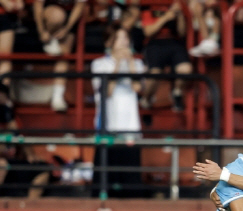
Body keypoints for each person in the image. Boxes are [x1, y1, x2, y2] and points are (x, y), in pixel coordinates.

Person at [91, 23, 145, 198]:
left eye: (126, 38)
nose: (123, 42)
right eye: (119, 38)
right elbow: (107, 90)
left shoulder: (137, 63)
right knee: (105, 179)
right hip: (108, 127)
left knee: (130, 182)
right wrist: (117, 63)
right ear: (108, 42)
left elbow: (137, 88)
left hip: (131, 127)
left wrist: (129, 62)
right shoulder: (99, 64)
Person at [33, 0, 88, 112]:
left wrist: (67, 29)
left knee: (64, 55)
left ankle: (57, 97)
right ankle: (49, 40)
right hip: (46, 17)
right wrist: (41, 31)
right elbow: (37, 4)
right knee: (57, 15)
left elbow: (80, 5)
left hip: (68, 20)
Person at [139, 0, 193, 112]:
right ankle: (146, 99)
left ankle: (176, 93)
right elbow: (148, 32)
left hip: (173, 42)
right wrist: (166, 18)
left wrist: (180, 15)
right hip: (154, 44)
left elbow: (182, 32)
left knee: (186, 69)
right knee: (155, 74)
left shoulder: (175, 5)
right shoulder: (148, 7)